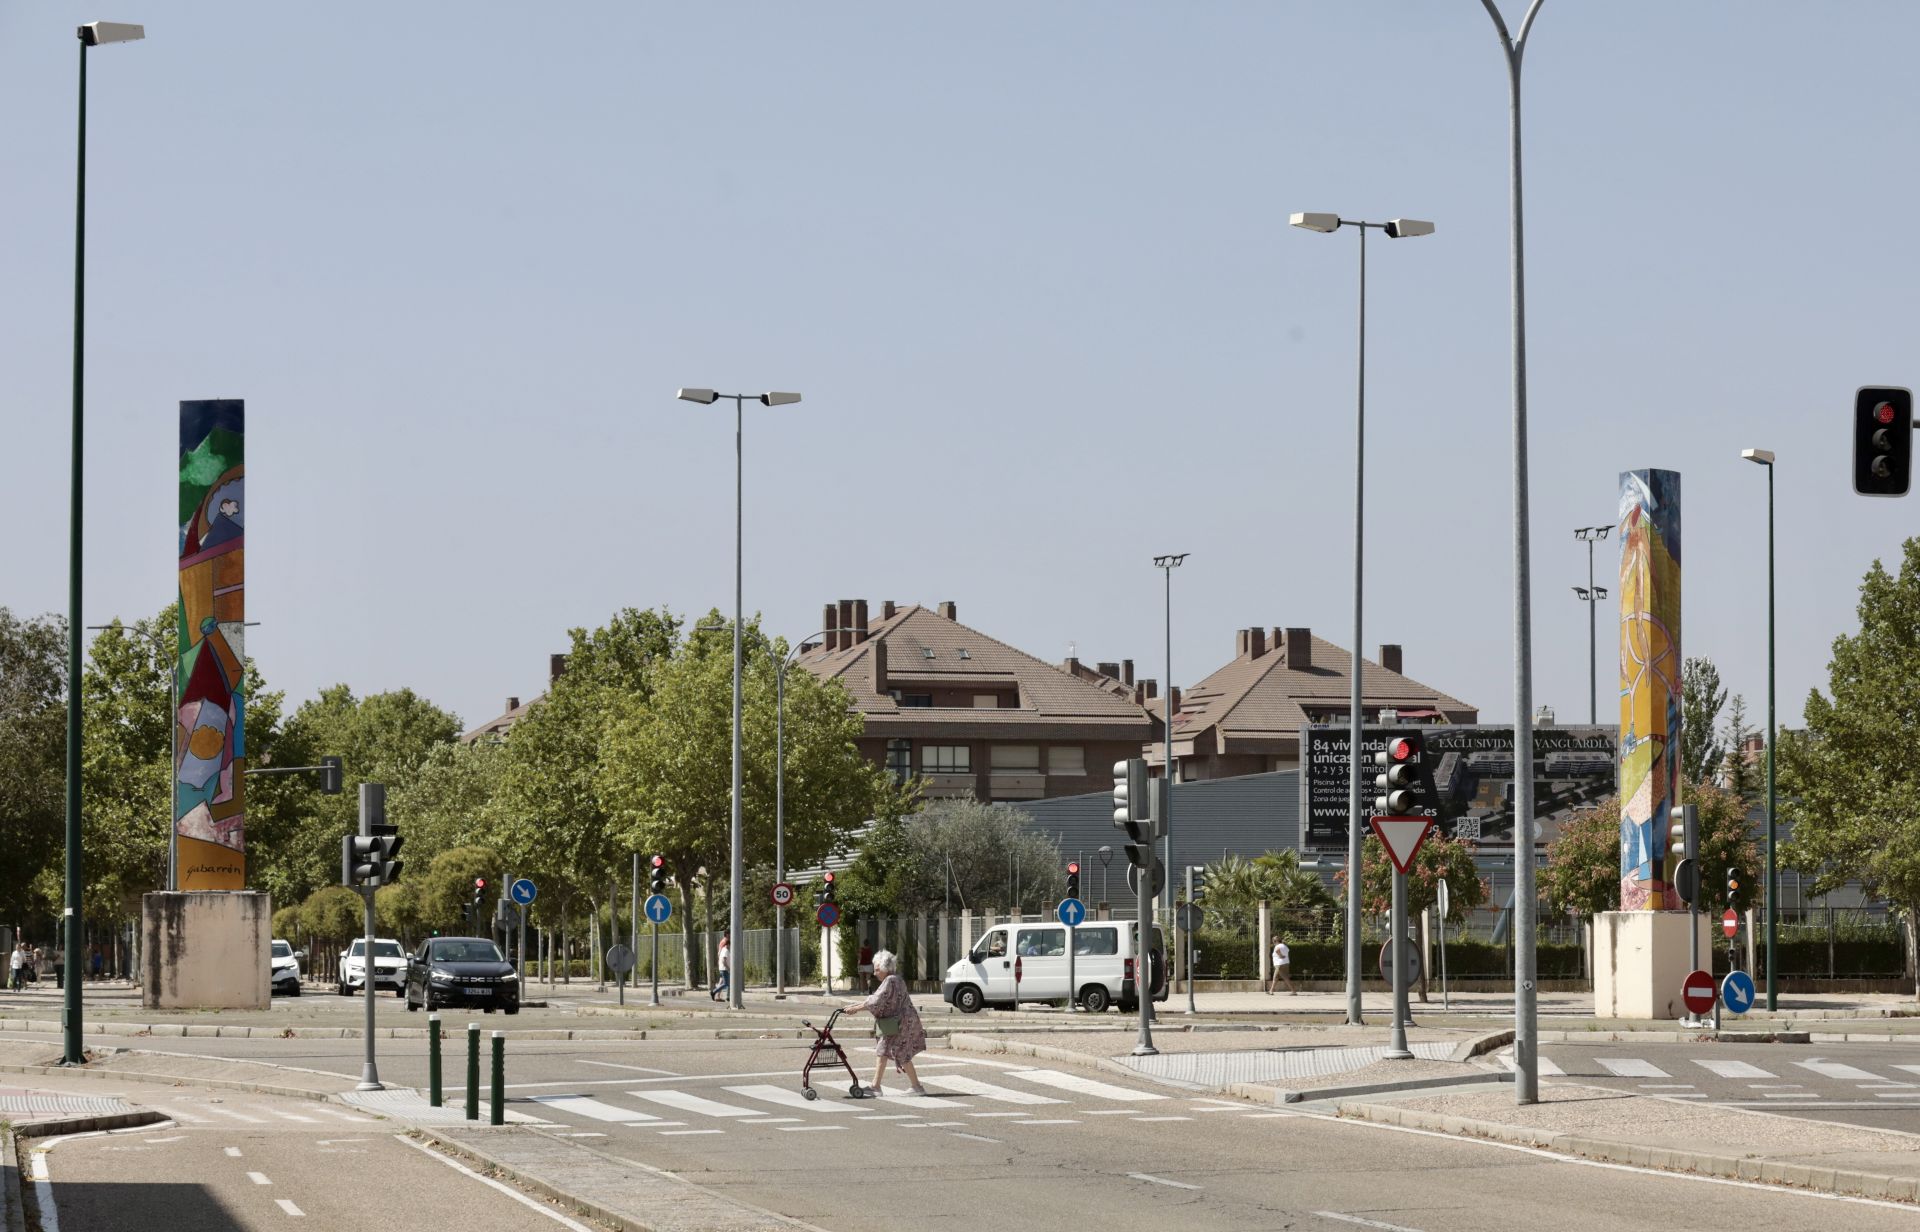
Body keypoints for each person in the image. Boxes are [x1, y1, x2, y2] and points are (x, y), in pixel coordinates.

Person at [842, 950, 927, 1096]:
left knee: (898, 1052)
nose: (875, 973)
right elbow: (876, 998)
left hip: (899, 1023)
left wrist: (855, 1008)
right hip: (900, 1021)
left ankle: (915, 1087)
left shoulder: (890, 980)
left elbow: (876, 1000)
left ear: (885, 968)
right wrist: (855, 1005)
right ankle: (879, 1086)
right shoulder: (896, 979)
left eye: (876, 969)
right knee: (886, 1050)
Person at [710, 934, 730, 1001]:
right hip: (724, 969)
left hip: (722, 968)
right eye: (729, 945)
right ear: (727, 944)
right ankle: (714, 992)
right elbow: (724, 960)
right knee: (726, 984)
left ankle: (723, 996)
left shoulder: (723, 949)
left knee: (724, 983)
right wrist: (728, 968)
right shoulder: (725, 950)